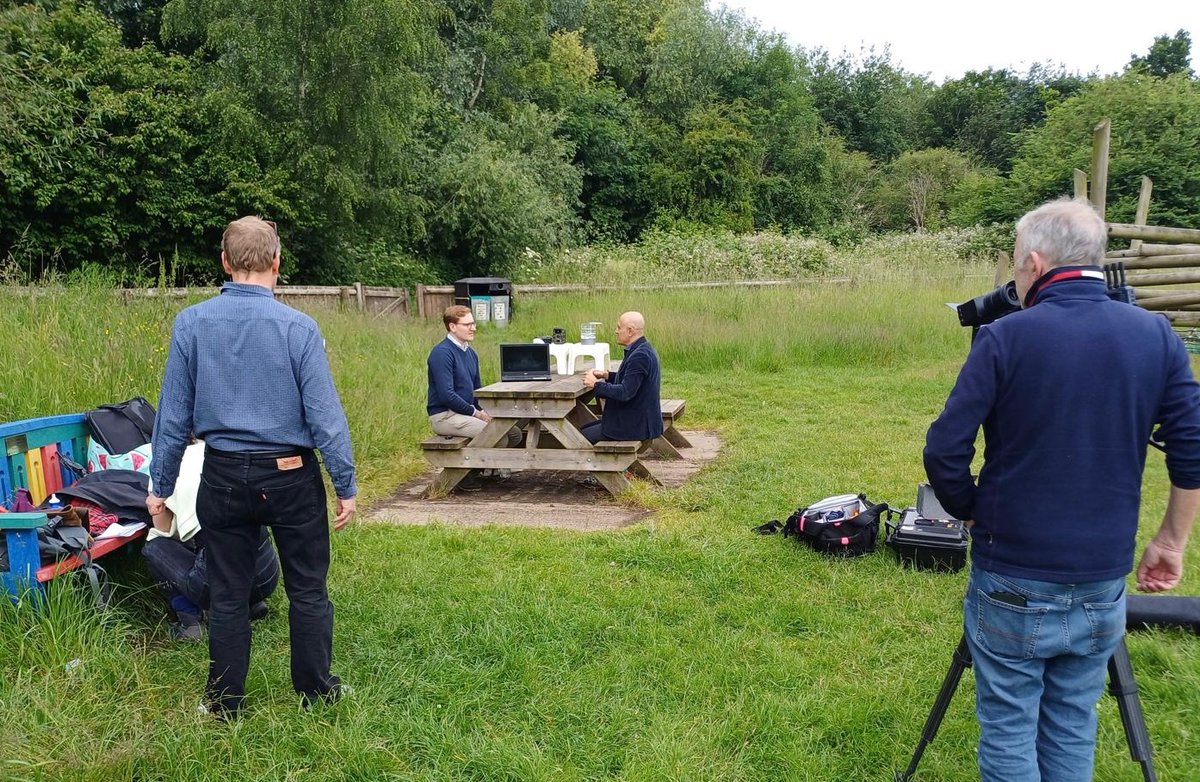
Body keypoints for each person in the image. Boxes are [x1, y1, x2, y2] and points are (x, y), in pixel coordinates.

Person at [923, 197, 1200, 782]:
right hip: (1103, 573)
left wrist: (972, 512)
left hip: (1013, 569)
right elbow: (1190, 449)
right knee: (1074, 719)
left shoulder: (1003, 338)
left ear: (1035, 261)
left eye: (1017, 268)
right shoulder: (1157, 335)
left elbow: (945, 450)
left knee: (1008, 725)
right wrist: (1171, 541)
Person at [148, 215, 357, 718]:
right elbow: (325, 415)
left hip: (221, 476)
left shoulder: (191, 324)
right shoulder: (299, 328)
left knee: (227, 593)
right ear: (276, 262)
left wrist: (161, 483)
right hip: (290, 475)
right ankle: (315, 691)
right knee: (307, 587)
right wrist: (344, 482)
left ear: (225, 261)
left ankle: (224, 703)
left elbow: (173, 416)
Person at [143, 440, 279, 641]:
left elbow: (164, 531)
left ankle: (190, 620)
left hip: (219, 591)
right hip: (268, 577)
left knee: (154, 547)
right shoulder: (233, 451)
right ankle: (252, 603)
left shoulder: (163, 467)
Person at [426, 305, 521, 489]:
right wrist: (477, 414)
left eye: (473, 323)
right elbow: (447, 396)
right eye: (467, 324)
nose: (473, 328)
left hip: (467, 413)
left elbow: (476, 389)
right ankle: (465, 476)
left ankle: (485, 470)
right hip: (445, 416)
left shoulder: (470, 352)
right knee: (498, 436)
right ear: (452, 327)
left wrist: (485, 410)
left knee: (514, 433)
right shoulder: (441, 353)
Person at [581, 311, 663, 444]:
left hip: (635, 426)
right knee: (584, 428)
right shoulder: (644, 348)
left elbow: (625, 392)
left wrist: (596, 385)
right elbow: (634, 380)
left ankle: (607, 465)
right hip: (638, 420)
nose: (616, 331)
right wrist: (607, 375)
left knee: (580, 437)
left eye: (619, 327)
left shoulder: (639, 356)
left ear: (630, 331)